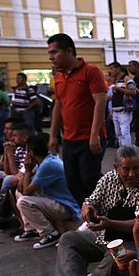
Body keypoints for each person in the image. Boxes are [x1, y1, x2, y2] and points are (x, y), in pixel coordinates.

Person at [36, 145, 139, 276]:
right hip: (105, 236)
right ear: (116, 168)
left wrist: (110, 224)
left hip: (133, 242)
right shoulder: (108, 179)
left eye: (136, 168)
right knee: (69, 239)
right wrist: (87, 208)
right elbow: (91, 200)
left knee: (115, 260)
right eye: (126, 169)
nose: (132, 174)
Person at [48, 33, 107, 205]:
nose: (51, 57)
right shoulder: (58, 76)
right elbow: (58, 106)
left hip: (89, 137)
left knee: (89, 178)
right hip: (69, 139)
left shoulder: (91, 71)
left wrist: (94, 134)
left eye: (54, 52)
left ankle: (104, 211)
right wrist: (53, 136)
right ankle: (88, 212)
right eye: (49, 53)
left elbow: (100, 102)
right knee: (72, 181)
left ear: (68, 51)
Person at [15, 133, 81, 249]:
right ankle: (31, 229)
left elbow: (26, 191)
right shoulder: (44, 161)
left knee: (23, 201)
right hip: (55, 200)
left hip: (66, 207)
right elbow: (21, 187)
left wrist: (28, 170)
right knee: (19, 193)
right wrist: (28, 171)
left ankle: (50, 233)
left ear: (31, 153)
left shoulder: (48, 165)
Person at [107, 61, 137, 147]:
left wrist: (119, 89)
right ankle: (122, 151)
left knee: (124, 132)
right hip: (115, 110)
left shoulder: (127, 79)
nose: (110, 71)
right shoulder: (115, 81)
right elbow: (116, 96)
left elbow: (133, 92)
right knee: (118, 134)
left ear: (118, 69)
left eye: (112, 69)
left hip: (124, 110)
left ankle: (127, 151)